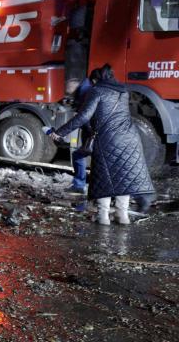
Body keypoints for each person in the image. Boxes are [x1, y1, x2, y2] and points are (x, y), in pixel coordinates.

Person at [50, 65, 155, 225]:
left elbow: (84, 116)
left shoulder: (96, 91)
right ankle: (122, 215)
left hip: (108, 139)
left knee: (103, 178)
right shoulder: (123, 92)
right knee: (123, 177)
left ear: (96, 80)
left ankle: (103, 216)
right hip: (130, 139)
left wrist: (60, 132)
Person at [68, 69, 101, 193]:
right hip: (94, 129)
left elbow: (85, 113)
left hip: (91, 129)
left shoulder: (86, 88)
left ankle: (79, 185)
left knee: (80, 154)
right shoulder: (92, 88)